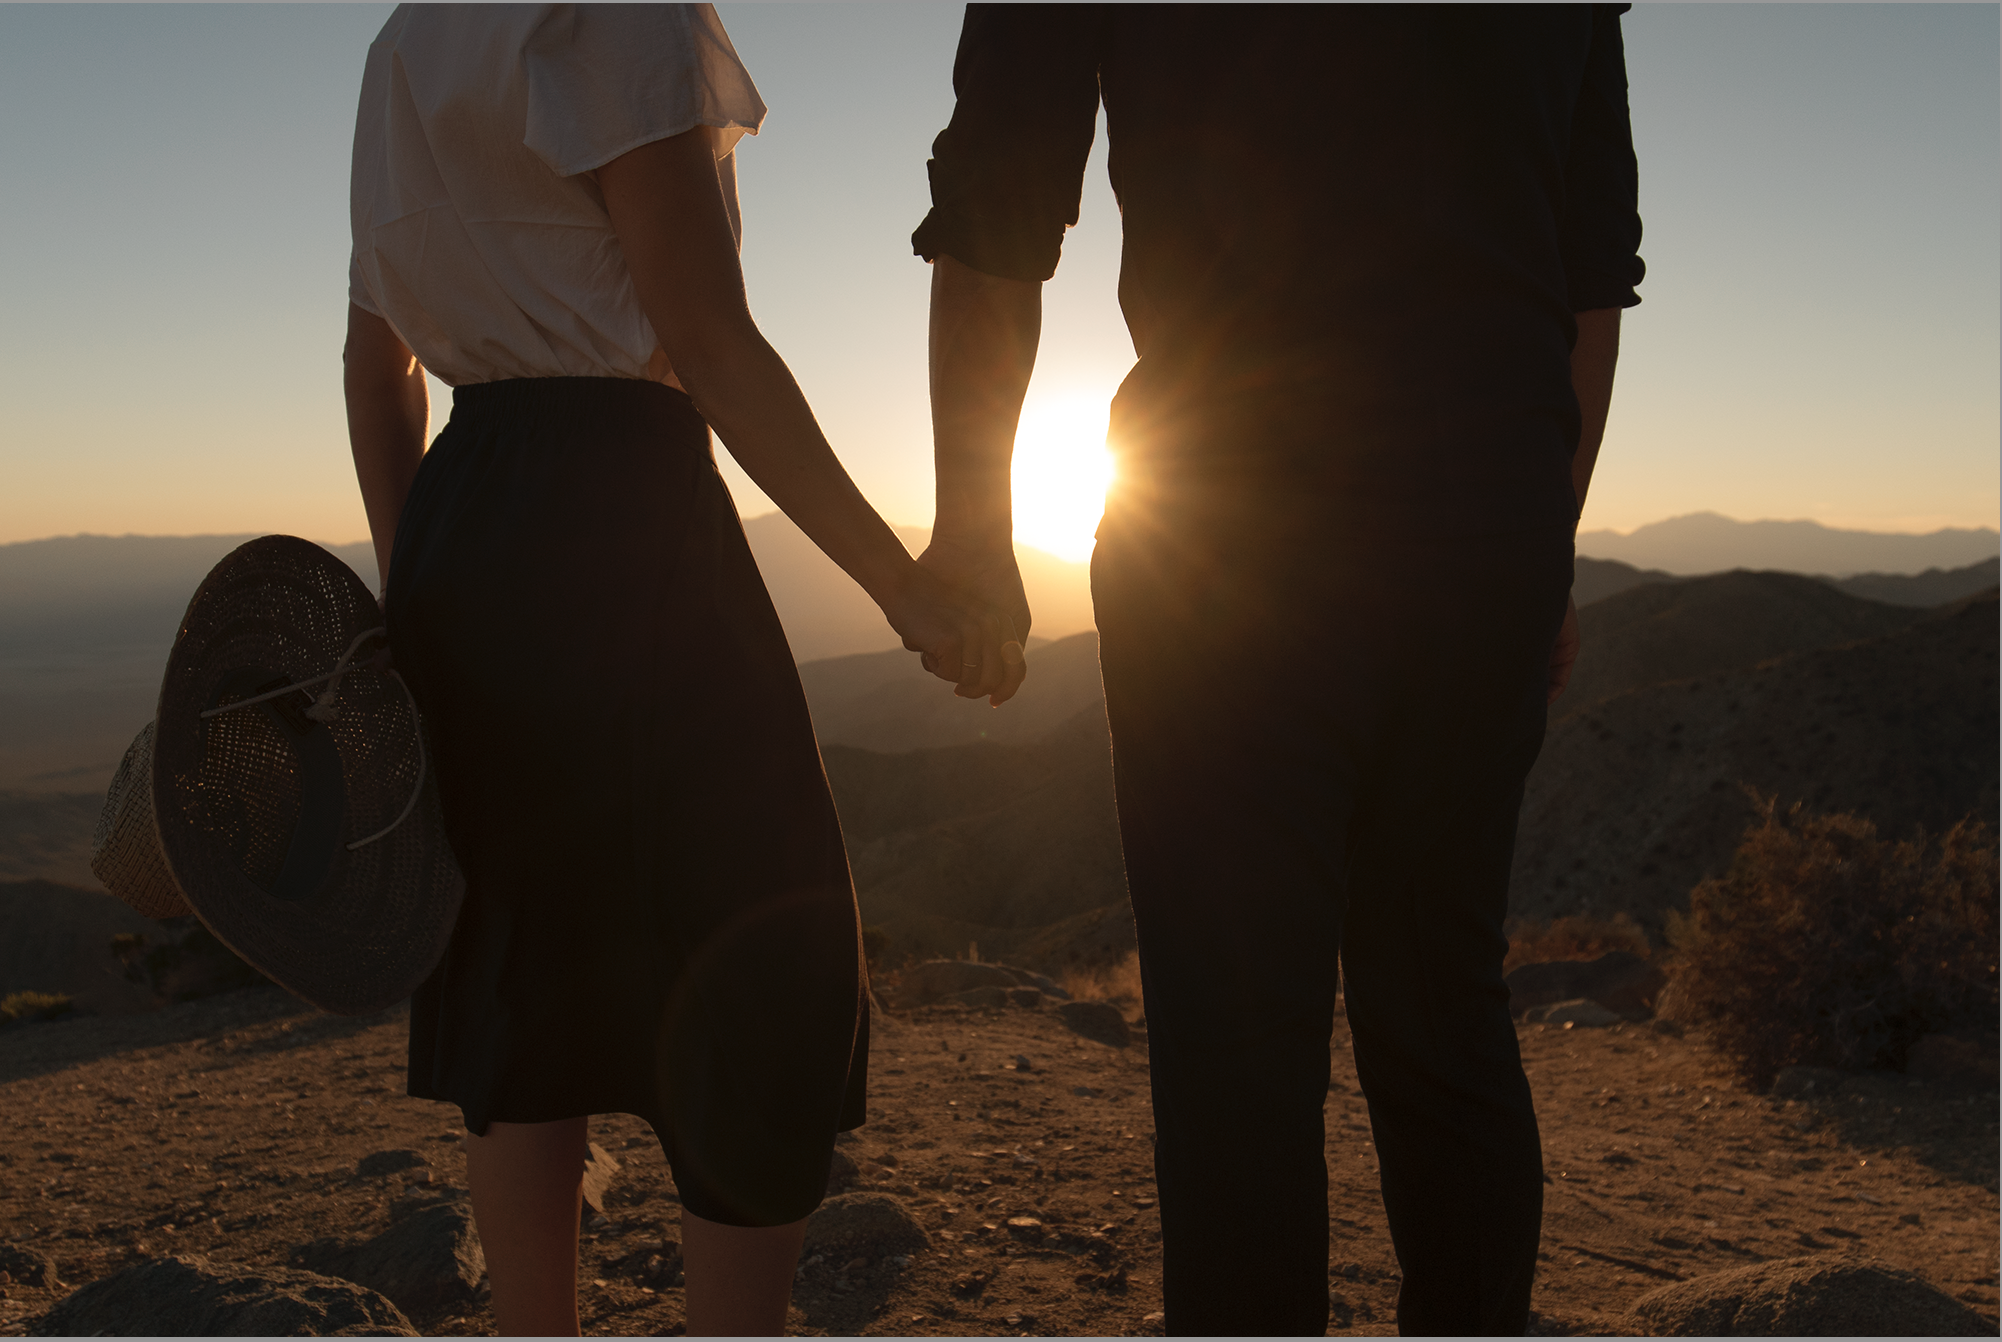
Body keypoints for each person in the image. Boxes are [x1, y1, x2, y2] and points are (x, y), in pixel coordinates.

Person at [910, 5, 1643, 1335]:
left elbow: (996, 203)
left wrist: (971, 530)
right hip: (1483, 523)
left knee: (1235, 1038)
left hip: (1225, 524)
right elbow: (1590, 276)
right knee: (1444, 1004)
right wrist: (1545, 541)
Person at [342, 6, 1024, 1335]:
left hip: (461, 529)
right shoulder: (618, 10)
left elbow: (379, 365)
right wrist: (901, 584)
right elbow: (706, 339)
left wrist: (414, 587)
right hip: (627, 518)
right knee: (765, 957)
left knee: (523, 975)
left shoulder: (404, 42)